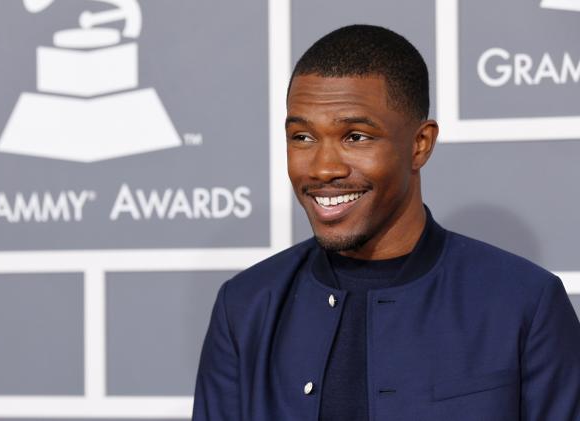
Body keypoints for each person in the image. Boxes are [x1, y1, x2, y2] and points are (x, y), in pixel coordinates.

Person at [192, 24, 580, 420]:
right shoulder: (245, 307)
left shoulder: (525, 303)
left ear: (419, 145)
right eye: (303, 138)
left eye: (356, 137)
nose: (324, 168)